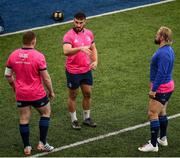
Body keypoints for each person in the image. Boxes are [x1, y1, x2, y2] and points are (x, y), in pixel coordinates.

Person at [4, 31, 55, 155]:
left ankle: (27, 147)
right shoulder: (38, 56)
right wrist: (51, 91)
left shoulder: (13, 55)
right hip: (36, 93)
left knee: (24, 118)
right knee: (46, 112)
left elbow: (7, 75)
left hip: (21, 93)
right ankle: (42, 143)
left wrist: (14, 86)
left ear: (23, 41)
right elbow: (46, 78)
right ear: (34, 41)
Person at [138, 26, 175, 152]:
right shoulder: (168, 50)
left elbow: (161, 73)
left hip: (162, 88)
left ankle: (153, 145)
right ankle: (162, 139)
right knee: (162, 112)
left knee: (152, 113)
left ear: (163, 37)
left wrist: (154, 89)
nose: (156, 36)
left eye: (158, 34)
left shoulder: (164, 53)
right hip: (167, 86)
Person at [63, 12, 98, 130]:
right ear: (73, 21)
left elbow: (93, 48)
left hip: (86, 70)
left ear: (85, 22)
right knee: (73, 95)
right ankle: (74, 120)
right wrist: (80, 48)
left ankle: (87, 118)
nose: (78, 25)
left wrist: (95, 61)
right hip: (73, 71)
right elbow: (66, 51)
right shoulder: (69, 35)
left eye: (80, 22)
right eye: (76, 22)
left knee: (88, 93)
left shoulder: (89, 33)